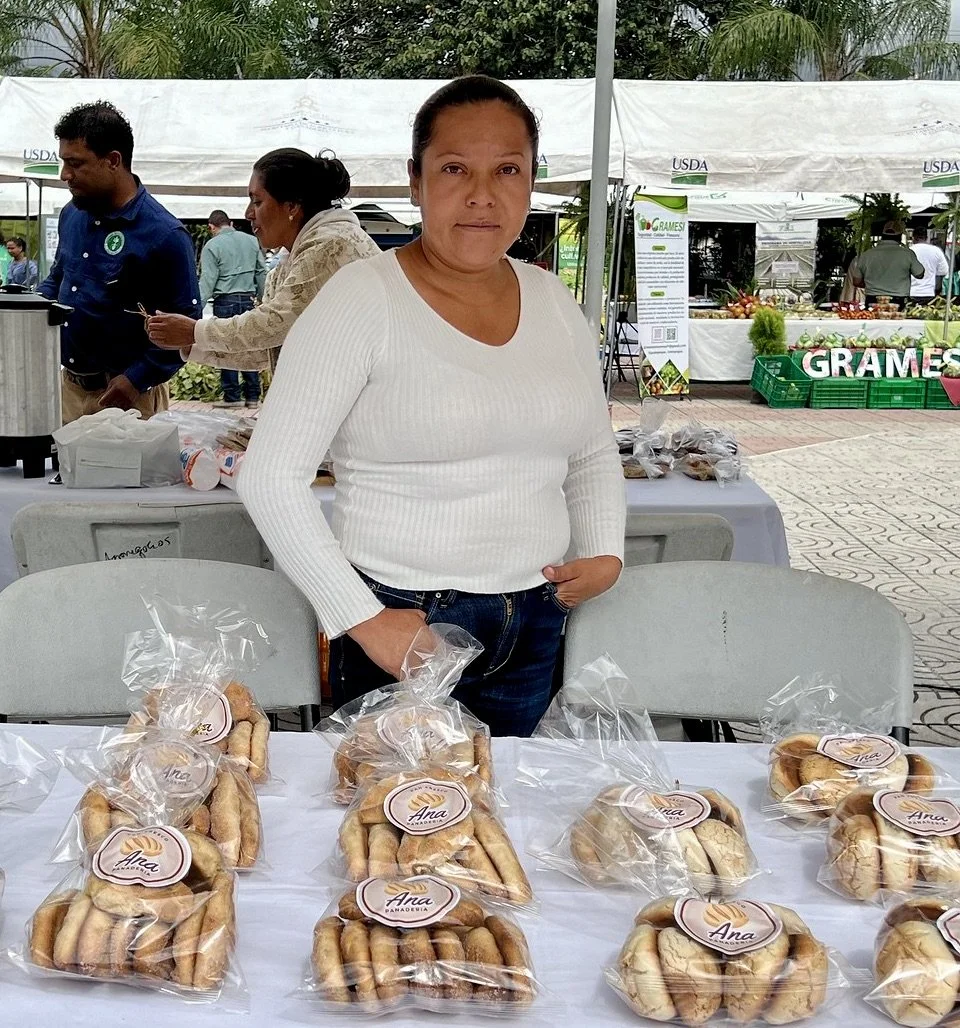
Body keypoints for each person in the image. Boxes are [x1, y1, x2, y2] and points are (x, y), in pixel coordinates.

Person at [237, 75, 626, 737]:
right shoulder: (361, 300)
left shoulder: (554, 303)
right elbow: (269, 478)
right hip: (402, 619)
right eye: (454, 168)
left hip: (533, 621)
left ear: (532, 182)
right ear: (415, 182)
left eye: (508, 169)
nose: (482, 195)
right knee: (391, 820)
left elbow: (588, 451)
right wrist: (361, 618)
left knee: (502, 817)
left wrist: (604, 549)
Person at [145, 149, 379, 373]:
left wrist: (194, 331)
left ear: (292, 206)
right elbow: (264, 350)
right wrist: (188, 345)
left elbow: (274, 323)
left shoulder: (333, 243)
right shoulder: (286, 264)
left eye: (257, 201)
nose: (248, 213)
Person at [39, 101, 200, 424]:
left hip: (129, 398)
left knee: (124, 476)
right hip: (70, 390)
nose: (64, 175)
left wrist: (136, 379)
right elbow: (58, 278)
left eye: (75, 163)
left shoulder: (164, 234)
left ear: (113, 160)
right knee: (64, 474)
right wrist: (26, 309)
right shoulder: (72, 215)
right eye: (63, 162)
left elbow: (187, 323)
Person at [199, 209, 267, 408]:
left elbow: (208, 280)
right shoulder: (252, 241)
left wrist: (196, 308)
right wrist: (263, 300)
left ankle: (232, 397)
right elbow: (261, 272)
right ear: (230, 223)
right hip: (248, 300)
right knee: (249, 346)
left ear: (212, 227)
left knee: (226, 348)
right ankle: (253, 397)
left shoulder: (212, 246)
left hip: (224, 302)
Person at [850, 221, 924, 309]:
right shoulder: (907, 254)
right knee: (899, 323)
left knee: (874, 322)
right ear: (900, 237)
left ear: (882, 236)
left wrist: (872, 285)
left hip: (873, 300)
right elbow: (920, 274)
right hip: (898, 300)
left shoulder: (867, 255)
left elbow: (856, 281)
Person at [910, 226, 949, 305]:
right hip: (929, 292)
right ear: (926, 238)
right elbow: (944, 271)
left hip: (911, 292)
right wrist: (932, 271)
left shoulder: (909, 250)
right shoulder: (936, 251)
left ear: (914, 238)